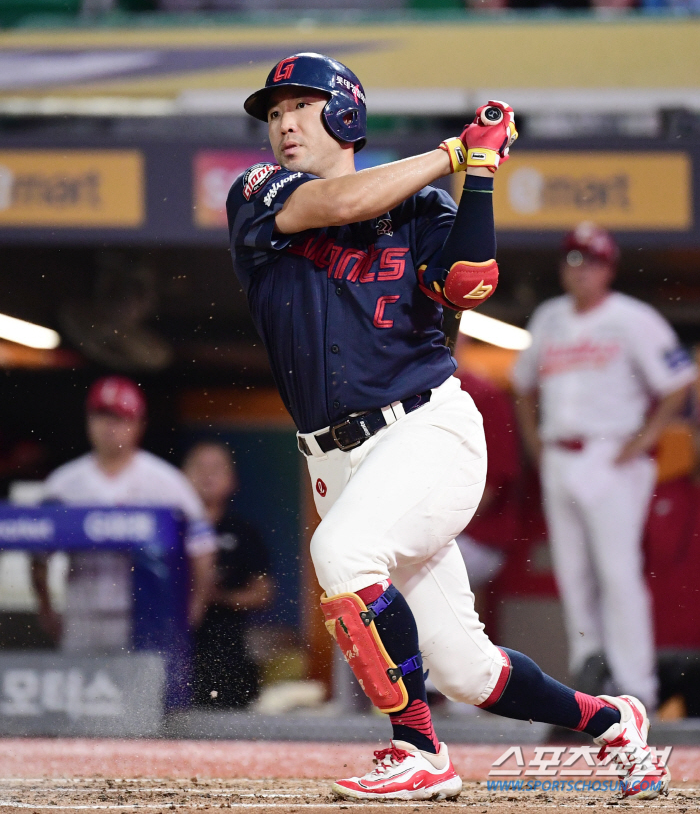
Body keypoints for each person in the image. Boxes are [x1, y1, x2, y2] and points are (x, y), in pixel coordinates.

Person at [225, 52, 668, 801]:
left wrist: (481, 176)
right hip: (336, 462)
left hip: (425, 433)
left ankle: (418, 748)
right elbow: (336, 206)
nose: (284, 124)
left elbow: (470, 281)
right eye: (273, 114)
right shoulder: (259, 192)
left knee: (341, 550)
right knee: (465, 668)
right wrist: (451, 154)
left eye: (300, 106)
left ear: (344, 113)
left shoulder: (424, 207)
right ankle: (611, 721)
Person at [512, 223, 696, 711]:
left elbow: (679, 381)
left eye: (590, 261)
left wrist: (643, 440)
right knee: (574, 575)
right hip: (559, 454)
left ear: (608, 268)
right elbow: (523, 384)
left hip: (610, 456)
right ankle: (592, 684)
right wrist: (535, 446)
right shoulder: (549, 317)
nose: (580, 270)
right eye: (572, 260)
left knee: (618, 573)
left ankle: (639, 690)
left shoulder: (633, 318)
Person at [31, 376, 217, 652]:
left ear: (138, 424)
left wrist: (195, 606)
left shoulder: (167, 482)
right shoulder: (63, 484)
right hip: (83, 615)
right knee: (83, 692)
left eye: (119, 418)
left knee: (142, 694)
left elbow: (202, 551)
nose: (109, 427)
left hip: (147, 618)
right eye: (101, 416)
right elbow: (38, 554)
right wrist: (46, 608)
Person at [182, 440, 273, 708]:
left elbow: (264, 593)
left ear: (232, 480)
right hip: (176, 646)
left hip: (226, 650)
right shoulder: (168, 528)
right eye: (199, 467)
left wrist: (216, 597)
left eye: (216, 468)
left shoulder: (243, 532)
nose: (207, 475)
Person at [455, 368, 520, 590]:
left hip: (477, 536)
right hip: (435, 531)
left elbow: (492, 485)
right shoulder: (406, 395)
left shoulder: (482, 394)